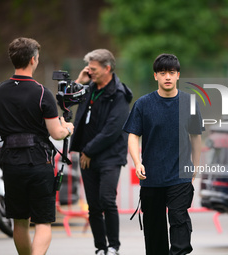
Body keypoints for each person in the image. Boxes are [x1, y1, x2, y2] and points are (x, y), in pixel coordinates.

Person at [0, 37, 74, 255]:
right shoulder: (41, 92)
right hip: (38, 161)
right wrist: (68, 128)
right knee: (43, 221)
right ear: (33, 60)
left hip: (10, 161)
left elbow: (1, 129)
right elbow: (56, 132)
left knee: (19, 221)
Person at [123, 53, 203, 255]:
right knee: (154, 228)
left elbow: (196, 137)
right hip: (152, 176)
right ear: (155, 76)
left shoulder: (190, 103)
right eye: (162, 72)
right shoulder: (143, 104)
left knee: (179, 220)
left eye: (172, 72)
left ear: (178, 76)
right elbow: (133, 136)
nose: (167, 76)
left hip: (179, 175)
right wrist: (137, 162)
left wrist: (195, 166)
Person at [70, 49, 132, 255]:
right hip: (88, 157)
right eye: (89, 69)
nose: (90, 72)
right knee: (94, 206)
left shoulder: (119, 94)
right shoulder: (88, 88)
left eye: (94, 69)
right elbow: (66, 102)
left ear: (108, 68)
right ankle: (100, 247)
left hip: (109, 157)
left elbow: (112, 130)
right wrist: (79, 81)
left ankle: (113, 246)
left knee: (107, 200)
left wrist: (88, 150)